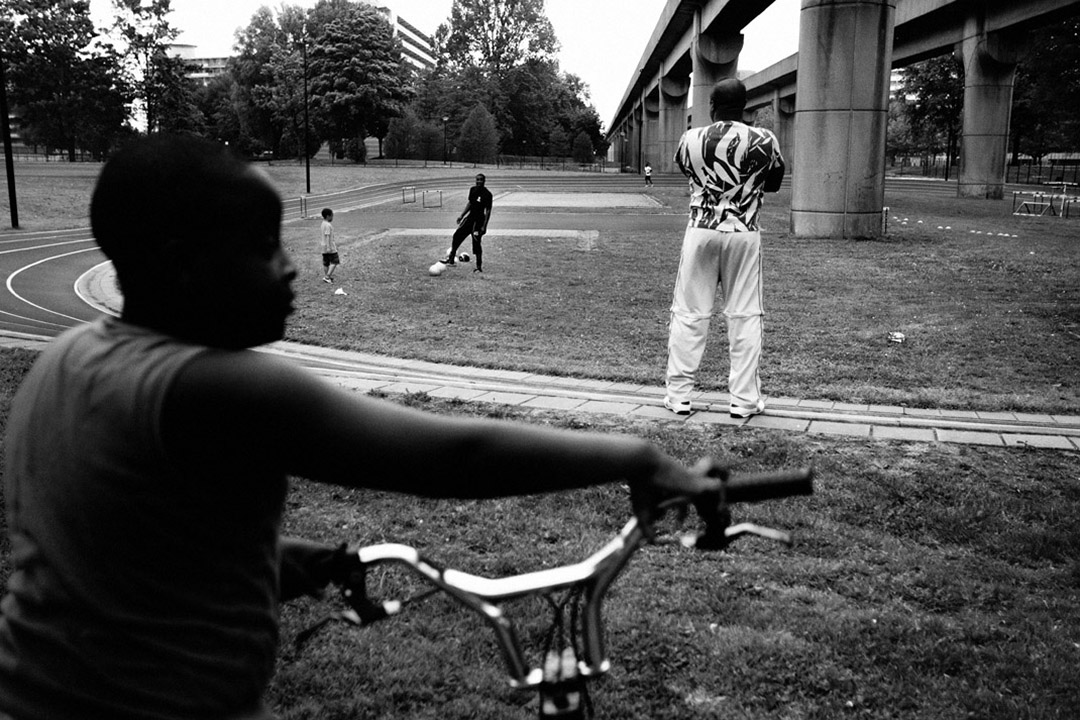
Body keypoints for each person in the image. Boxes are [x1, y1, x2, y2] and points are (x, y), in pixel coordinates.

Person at [0, 134, 717, 720]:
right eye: (264, 248)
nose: (290, 269)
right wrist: (638, 457)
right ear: (183, 266)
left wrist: (268, 561)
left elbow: (115, 550)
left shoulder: (68, 361)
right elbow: (451, 457)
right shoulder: (214, 386)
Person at [664, 78, 785, 418]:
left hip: (700, 230)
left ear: (712, 106)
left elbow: (687, 171)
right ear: (744, 106)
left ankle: (679, 396)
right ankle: (744, 401)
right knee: (745, 315)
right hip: (744, 231)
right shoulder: (764, 139)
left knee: (689, 312)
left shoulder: (690, 139)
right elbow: (773, 183)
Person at [440, 173, 492, 273]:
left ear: (484, 181)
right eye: (477, 180)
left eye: (481, 180)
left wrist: (484, 226)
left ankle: (478, 267)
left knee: (476, 243)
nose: (479, 181)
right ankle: (451, 259)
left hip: (479, 221)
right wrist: (462, 215)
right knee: (457, 235)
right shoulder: (472, 190)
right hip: (470, 218)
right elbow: (470, 203)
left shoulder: (488, 194)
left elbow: (488, 211)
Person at [320, 207, 338, 283]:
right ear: (328, 216)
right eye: (332, 216)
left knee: (326, 263)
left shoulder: (323, 224)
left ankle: (328, 277)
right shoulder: (328, 225)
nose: (332, 218)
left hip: (323, 246)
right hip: (329, 247)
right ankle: (327, 277)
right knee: (335, 261)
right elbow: (327, 235)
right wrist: (328, 247)